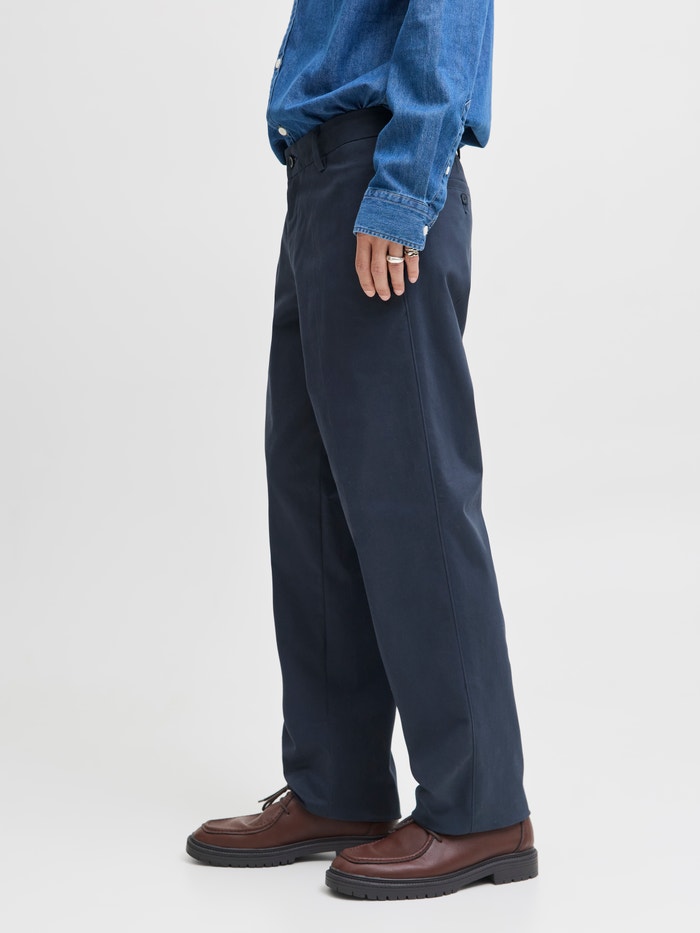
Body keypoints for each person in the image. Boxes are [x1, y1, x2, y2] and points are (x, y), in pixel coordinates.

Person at [186, 0, 537, 899]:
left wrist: (405, 181)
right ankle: (337, 786)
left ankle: (480, 808)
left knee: (410, 498)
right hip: (319, 179)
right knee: (309, 496)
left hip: (382, 166)